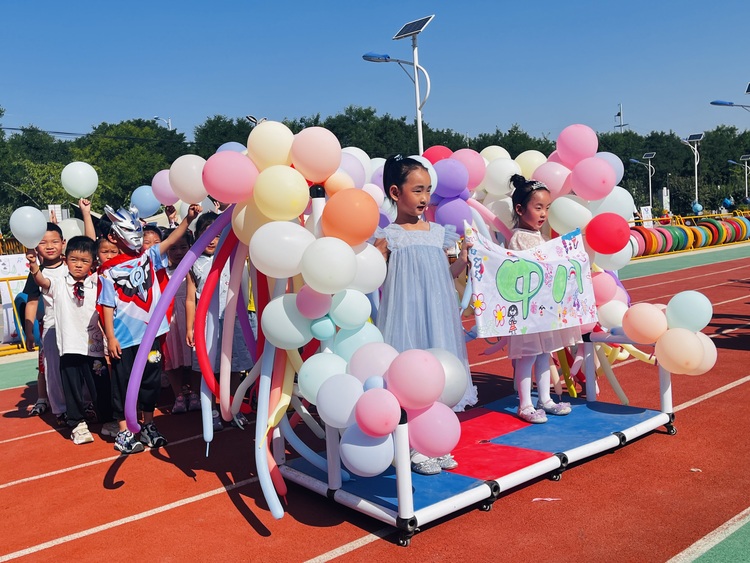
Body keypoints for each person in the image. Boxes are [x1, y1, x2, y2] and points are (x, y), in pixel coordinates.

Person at [374, 154, 476, 475]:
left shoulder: (438, 233)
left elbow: (445, 275)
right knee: (412, 378)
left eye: (428, 190)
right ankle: (413, 447)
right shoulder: (388, 237)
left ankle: (434, 440)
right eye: (417, 190)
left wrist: (464, 259)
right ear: (395, 192)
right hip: (405, 316)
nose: (424, 198)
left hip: (438, 315)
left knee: (440, 372)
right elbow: (374, 278)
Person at [98, 203, 201, 454]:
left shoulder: (149, 256)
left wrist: (188, 219)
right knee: (123, 384)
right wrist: (110, 337)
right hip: (124, 339)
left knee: (151, 381)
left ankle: (148, 425)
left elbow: (171, 240)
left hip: (150, 335)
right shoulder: (108, 270)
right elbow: (106, 305)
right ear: (114, 236)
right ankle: (124, 431)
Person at [506, 174, 581, 424]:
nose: (543, 214)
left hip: (543, 309)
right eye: (538, 208)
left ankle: (545, 399)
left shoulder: (540, 237)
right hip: (528, 310)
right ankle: (525, 404)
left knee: (544, 353)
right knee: (527, 355)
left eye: (546, 208)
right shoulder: (518, 238)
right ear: (520, 209)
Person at [26, 236, 108, 444]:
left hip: (94, 347)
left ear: (93, 263)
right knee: (71, 387)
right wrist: (34, 265)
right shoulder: (59, 283)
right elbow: (42, 282)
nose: (78, 265)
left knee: (100, 385)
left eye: (84, 261)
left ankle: (108, 420)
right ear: (66, 259)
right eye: (73, 260)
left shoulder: (97, 283)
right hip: (69, 347)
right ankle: (77, 424)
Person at [186, 212, 254, 431]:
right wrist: (190, 327)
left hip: (233, 320)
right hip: (207, 323)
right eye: (207, 234)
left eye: (217, 235)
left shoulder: (234, 258)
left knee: (234, 365)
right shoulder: (195, 263)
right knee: (208, 366)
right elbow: (190, 298)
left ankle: (232, 407)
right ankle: (212, 410)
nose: (212, 240)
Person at [23, 222, 68, 424]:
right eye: (43, 242)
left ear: (63, 243)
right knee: (52, 369)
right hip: (51, 327)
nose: (49, 246)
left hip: (76, 328)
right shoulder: (37, 273)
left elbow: (89, 243)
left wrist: (86, 215)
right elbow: (32, 302)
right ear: (36, 246)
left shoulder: (73, 264)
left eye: (54, 241)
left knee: (80, 366)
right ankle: (60, 409)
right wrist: (29, 332)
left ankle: (85, 403)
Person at [162, 228, 200, 414]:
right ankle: (178, 395)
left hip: (190, 320)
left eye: (183, 247)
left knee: (194, 358)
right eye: (173, 248)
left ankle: (195, 393)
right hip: (169, 322)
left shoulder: (195, 271)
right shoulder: (162, 272)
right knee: (172, 359)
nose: (178, 252)